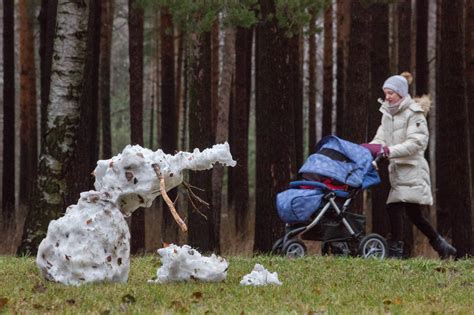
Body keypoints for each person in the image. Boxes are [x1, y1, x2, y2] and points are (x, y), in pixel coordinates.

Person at [361, 72, 456, 259]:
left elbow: (417, 142)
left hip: (412, 169)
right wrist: (368, 149)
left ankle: (396, 250)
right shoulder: (388, 113)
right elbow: (381, 138)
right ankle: (442, 246)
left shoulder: (414, 113)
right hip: (398, 170)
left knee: (393, 207)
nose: (387, 96)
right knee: (415, 215)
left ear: (401, 93)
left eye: (391, 93)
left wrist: (389, 151)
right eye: (385, 93)